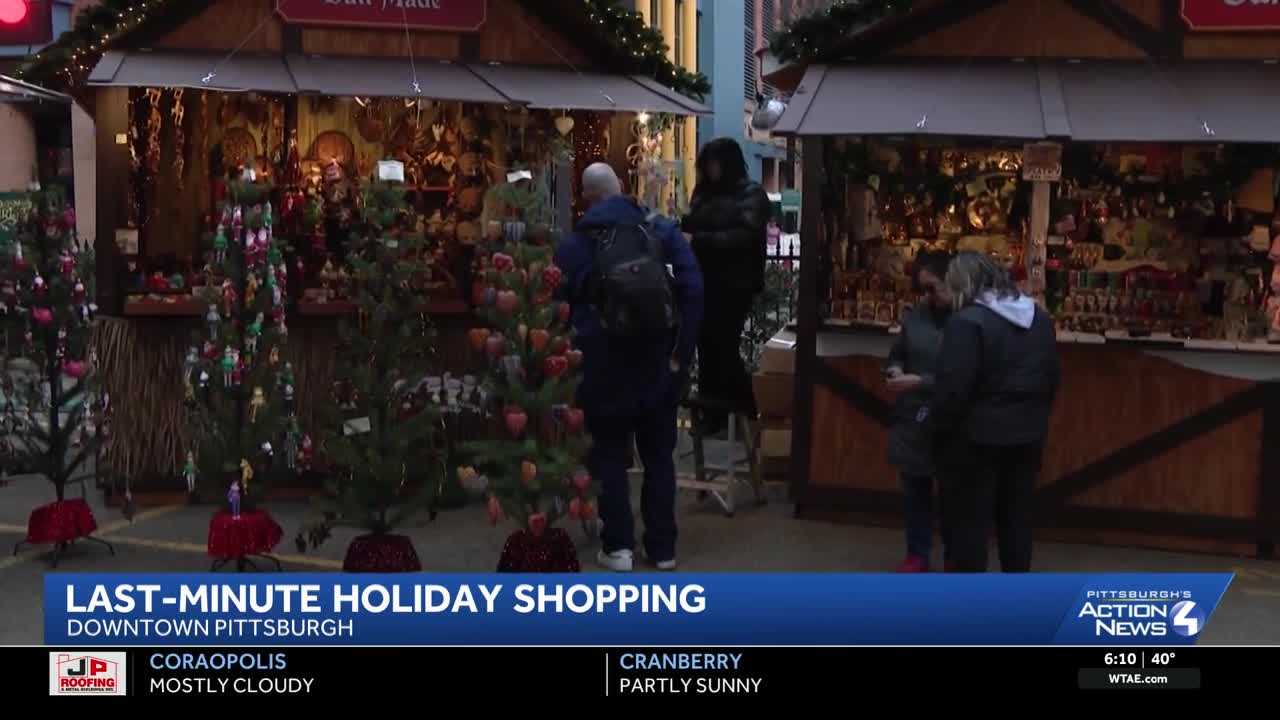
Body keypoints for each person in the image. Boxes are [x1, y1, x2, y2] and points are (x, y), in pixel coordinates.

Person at [555, 163, 704, 572]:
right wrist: (681, 353)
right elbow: (693, 289)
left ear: (588, 197)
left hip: (602, 366)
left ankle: (618, 546)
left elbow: (558, 304)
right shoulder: (660, 231)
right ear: (621, 187)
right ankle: (662, 548)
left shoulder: (575, 244)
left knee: (608, 454)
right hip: (658, 362)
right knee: (659, 457)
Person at [930, 252, 1060, 573]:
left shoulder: (967, 322)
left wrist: (937, 431)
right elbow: (1052, 379)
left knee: (970, 528)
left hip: (976, 440)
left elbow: (953, 390)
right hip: (1027, 435)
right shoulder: (1039, 319)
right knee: (1016, 523)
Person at [681, 138, 771, 435]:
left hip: (736, 283)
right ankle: (715, 413)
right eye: (706, 164)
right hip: (705, 278)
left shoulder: (751, 194)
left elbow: (744, 236)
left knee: (723, 345)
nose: (710, 169)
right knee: (707, 346)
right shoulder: (704, 193)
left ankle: (745, 407)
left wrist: (701, 239)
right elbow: (693, 224)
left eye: (715, 163)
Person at [884, 251, 953, 573]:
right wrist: (895, 370)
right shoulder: (915, 316)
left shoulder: (971, 319)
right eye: (922, 288)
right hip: (914, 414)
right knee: (914, 489)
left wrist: (922, 382)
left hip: (952, 415)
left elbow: (968, 375)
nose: (927, 295)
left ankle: (956, 556)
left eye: (933, 288)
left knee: (955, 492)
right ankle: (917, 553)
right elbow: (897, 353)